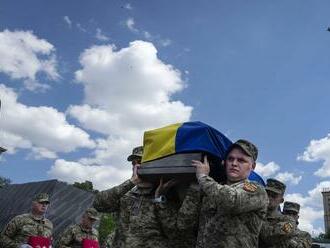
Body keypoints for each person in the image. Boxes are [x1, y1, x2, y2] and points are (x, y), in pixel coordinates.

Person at [93, 146, 200, 248]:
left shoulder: (168, 195)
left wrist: (159, 199)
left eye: (140, 162)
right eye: (133, 164)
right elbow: (99, 204)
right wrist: (130, 183)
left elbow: (177, 234)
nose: (136, 167)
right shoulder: (127, 196)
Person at [192, 139, 268, 248]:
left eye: (241, 160)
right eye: (230, 159)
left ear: (252, 166)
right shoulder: (211, 189)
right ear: (225, 162)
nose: (234, 163)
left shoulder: (257, 191)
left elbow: (231, 201)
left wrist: (203, 177)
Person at [259, 179, 297, 248]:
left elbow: (269, 236)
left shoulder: (288, 221)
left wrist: (257, 217)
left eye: (274, 196)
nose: (269, 198)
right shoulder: (254, 212)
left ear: (281, 200)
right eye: (267, 193)